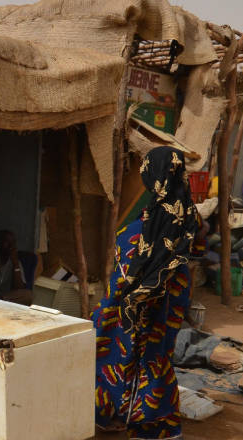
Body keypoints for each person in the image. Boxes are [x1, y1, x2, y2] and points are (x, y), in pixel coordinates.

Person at [92, 147, 199, 439]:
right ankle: (152, 423)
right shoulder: (187, 213)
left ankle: (118, 414)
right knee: (155, 357)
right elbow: (188, 257)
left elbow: (129, 262)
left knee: (111, 351)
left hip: (131, 301)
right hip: (170, 298)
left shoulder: (146, 222)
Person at [0, 230, 40, 305]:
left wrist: (15, 264)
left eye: (13, 242)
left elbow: (19, 287)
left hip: (4, 298)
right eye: (7, 242)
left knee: (28, 295)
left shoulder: (15, 262)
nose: (11, 245)